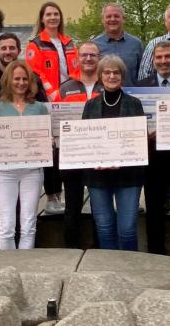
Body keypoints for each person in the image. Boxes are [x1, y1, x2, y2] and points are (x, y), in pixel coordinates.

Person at [81, 55, 146, 250]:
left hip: (128, 176)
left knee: (127, 229)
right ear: (100, 77)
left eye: (116, 72)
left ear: (122, 76)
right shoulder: (90, 105)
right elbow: (84, 141)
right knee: (104, 228)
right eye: (107, 72)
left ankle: (128, 270)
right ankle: (108, 272)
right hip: (98, 176)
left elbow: (139, 141)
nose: (111, 76)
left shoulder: (134, 104)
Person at [0, 61, 50, 250]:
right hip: (5, 172)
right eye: (17, 78)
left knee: (28, 223)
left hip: (32, 171)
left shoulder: (39, 107)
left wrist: (48, 142)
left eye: (25, 79)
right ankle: (8, 268)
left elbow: (45, 137)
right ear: (8, 80)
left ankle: (25, 267)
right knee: (6, 226)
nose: (21, 83)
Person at [135, 41, 170, 257]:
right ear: (153, 60)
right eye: (159, 57)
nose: (163, 61)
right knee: (154, 207)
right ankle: (155, 253)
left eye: (167, 56)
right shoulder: (141, 86)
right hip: (153, 154)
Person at [26, 2, 77, 213]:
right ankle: (52, 196)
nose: (53, 17)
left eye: (56, 14)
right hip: (48, 102)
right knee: (52, 150)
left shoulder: (70, 42)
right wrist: (51, 95)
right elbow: (34, 75)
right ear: (42, 18)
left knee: (70, 148)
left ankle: (69, 194)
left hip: (72, 102)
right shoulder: (35, 44)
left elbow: (77, 70)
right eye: (49, 14)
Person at [58, 41, 103, 248]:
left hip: (99, 155)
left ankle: (99, 251)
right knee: (72, 206)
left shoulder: (107, 85)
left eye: (92, 55)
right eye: (84, 55)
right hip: (72, 154)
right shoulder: (66, 87)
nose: (88, 59)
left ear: (99, 58)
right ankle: (71, 250)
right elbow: (56, 122)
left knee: (99, 206)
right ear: (78, 58)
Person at [91, 3, 143, 86]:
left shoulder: (136, 44)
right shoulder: (94, 45)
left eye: (116, 16)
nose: (112, 19)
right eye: (108, 16)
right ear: (102, 20)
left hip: (130, 95)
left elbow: (142, 75)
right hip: (103, 96)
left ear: (123, 19)